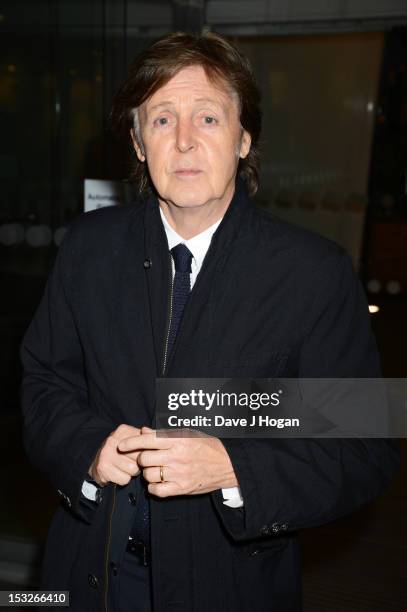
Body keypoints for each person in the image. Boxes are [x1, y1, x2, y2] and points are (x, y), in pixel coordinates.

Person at [20, 32, 399, 612]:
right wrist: (88, 449)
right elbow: (44, 385)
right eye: (162, 120)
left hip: (230, 585)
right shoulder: (87, 250)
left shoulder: (314, 274)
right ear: (138, 143)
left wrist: (232, 466)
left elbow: (365, 447)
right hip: (85, 573)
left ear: (245, 138)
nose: (186, 142)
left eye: (208, 118)